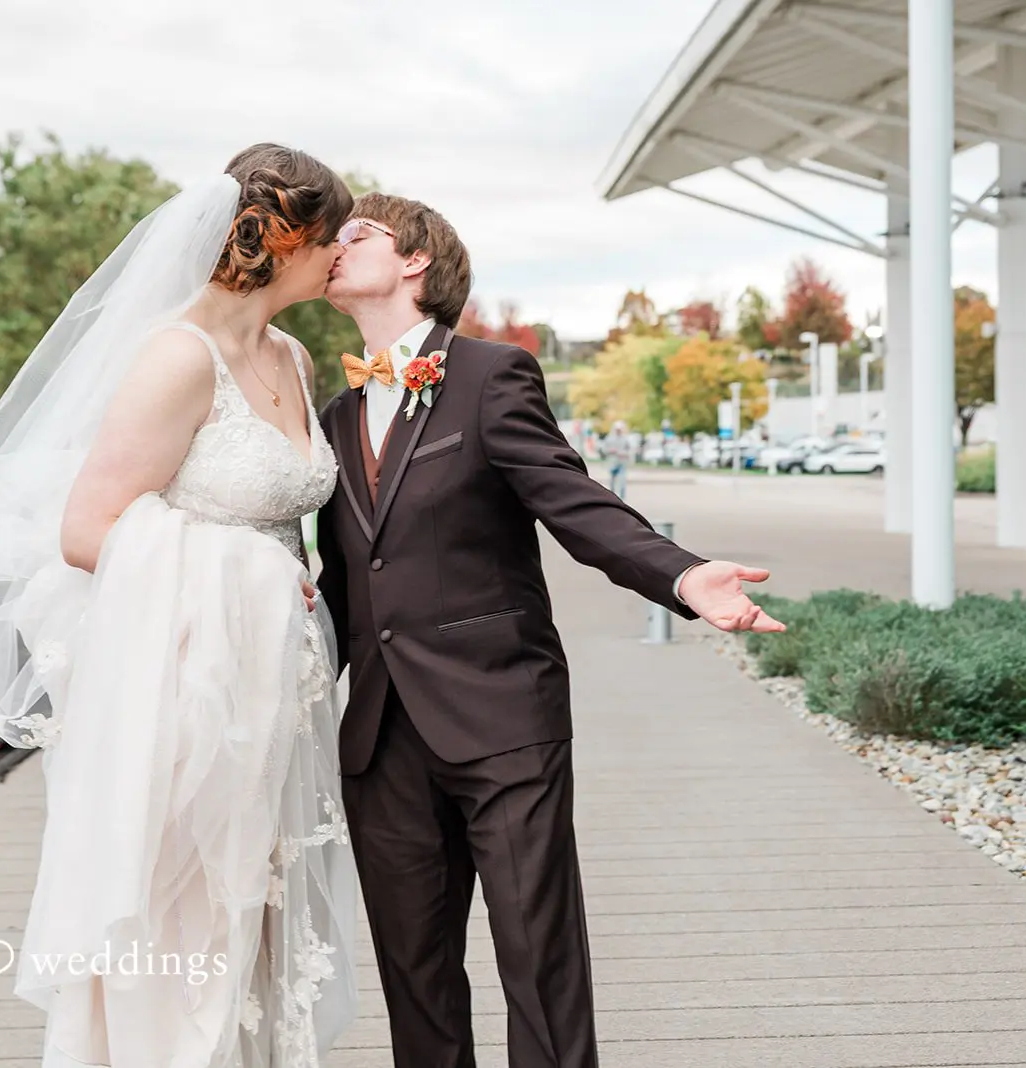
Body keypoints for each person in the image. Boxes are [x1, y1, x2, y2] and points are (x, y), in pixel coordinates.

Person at [315, 192, 784, 1068]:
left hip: (501, 716)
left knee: (538, 956)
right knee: (414, 974)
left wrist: (681, 575)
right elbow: (343, 585)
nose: (333, 248)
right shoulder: (334, 416)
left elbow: (575, 505)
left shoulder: (493, 374)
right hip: (379, 736)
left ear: (415, 259)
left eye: (356, 234)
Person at [0, 144, 359, 1068]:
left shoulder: (289, 353)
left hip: (275, 689)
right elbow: (89, 530)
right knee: (186, 920)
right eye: (332, 235)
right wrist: (251, 572)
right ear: (283, 238)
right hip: (183, 689)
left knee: (257, 909)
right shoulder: (177, 357)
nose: (341, 253)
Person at [602, 419, 633, 499]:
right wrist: (610, 451)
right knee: (612, 481)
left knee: (622, 481)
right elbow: (604, 449)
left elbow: (630, 450)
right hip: (612, 463)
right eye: (617, 429)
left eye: (620, 429)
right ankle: (612, 496)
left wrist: (625, 454)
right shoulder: (609, 438)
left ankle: (622, 498)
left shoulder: (625, 439)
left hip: (622, 463)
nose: (618, 431)